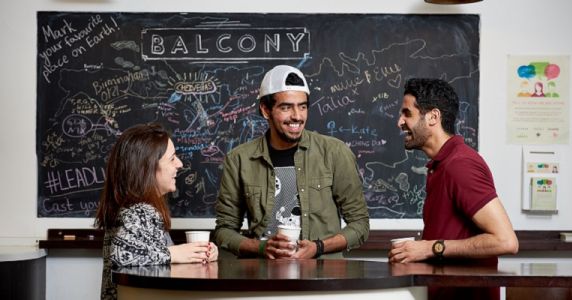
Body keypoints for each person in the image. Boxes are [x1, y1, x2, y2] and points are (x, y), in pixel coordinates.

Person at [214, 65, 369, 259]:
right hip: (263, 277)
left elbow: (360, 225)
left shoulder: (334, 153)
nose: (297, 116)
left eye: (302, 106)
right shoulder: (239, 159)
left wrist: (318, 247)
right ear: (265, 110)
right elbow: (224, 230)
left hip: (322, 277)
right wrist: (262, 248)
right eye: (286, 107)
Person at [389, 78, 519, 300]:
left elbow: (505, 241)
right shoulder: (440, 165)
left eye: (407, 113)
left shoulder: (461, 165)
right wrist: (420, 250)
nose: (399, 122)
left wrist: (431, 248)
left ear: (433, 117)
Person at [95, 123, 218, 300]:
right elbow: (121, 254)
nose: (180, 164)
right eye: (172, 158)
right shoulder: (140, 211)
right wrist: (174, 253)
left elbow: (152, 259)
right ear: (148, 167)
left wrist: (201, 252)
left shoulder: (135, 208)